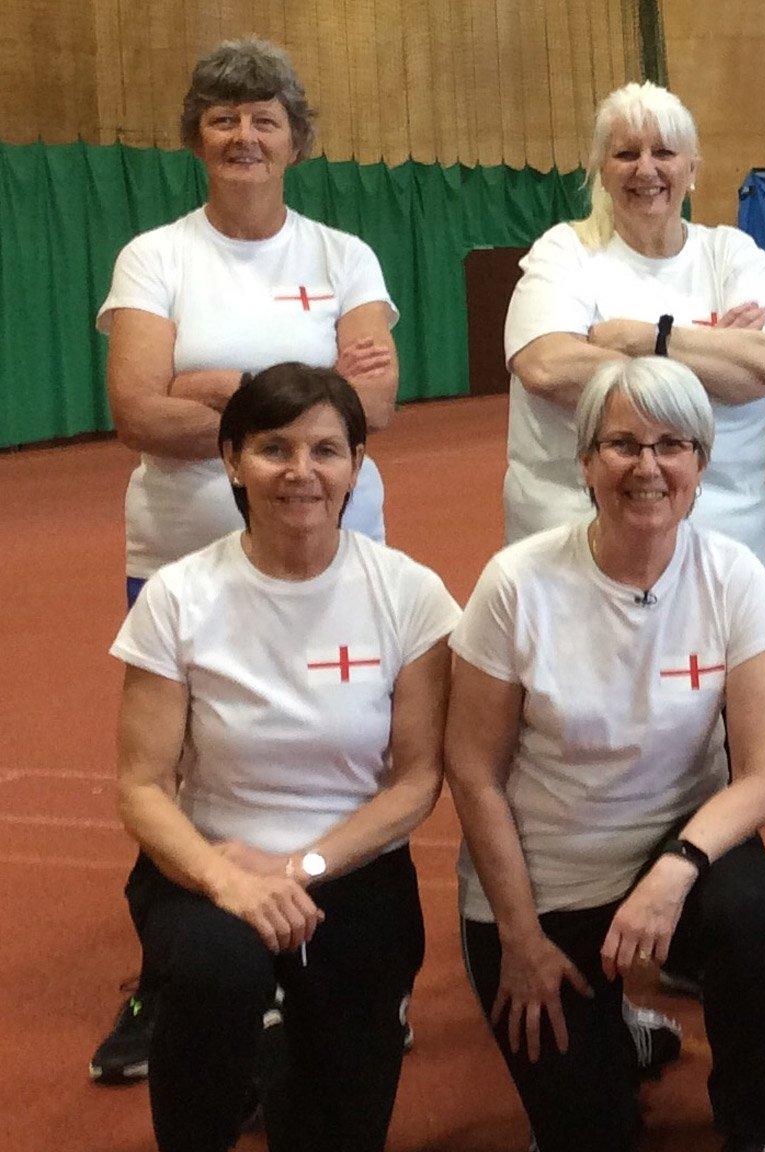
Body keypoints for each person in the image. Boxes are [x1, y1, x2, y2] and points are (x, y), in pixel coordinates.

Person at [94, 36, 400, 1087]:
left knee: (336, 741)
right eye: (223, 118)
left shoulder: (343, 255)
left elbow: (378, 408)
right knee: (179, 771)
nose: (243, 136)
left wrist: (219, 383)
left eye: (263, 117)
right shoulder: (156, 256)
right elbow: (137, 409)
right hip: (182, 551)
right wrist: (304, 388)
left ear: (296, 138)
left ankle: (340, 961)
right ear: (197, 137)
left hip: (336, 551)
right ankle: (173, 972)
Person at [445, 358, 765, 1152]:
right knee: (587, 1135)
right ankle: (620, 1040)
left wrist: (676, 870)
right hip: (550, 882)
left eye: (672, 444)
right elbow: (472, 770)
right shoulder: (516, 584)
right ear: (584, 463)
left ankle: (752, 1121)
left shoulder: (732, 576)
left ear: (701, 465)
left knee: (751, 921)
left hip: (679, 857)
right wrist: (519, 935)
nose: (648, 466)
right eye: (622, 445)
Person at [111, 363, 456, 1152]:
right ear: (231, 460)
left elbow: (416, 783)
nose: (301, 472)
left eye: (326, 451)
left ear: (357, 466)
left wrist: (298, 868)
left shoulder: (410, 593)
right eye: (274, 449)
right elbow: (140, 785)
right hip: (208, 867)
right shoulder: (179, 595)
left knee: (341, 1124)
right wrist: (226, 878)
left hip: (353, 870)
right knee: (215, 973)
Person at [501, 81, 765, 564]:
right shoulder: (564, 252)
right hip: (575, 531)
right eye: (625, 153)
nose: (646, 169)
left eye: (664, 152)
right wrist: (711, 354)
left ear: (692, 170)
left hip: (725, 535)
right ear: (601, 170)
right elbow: (547, 368)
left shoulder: (732, 254)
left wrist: (644, 338)